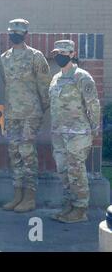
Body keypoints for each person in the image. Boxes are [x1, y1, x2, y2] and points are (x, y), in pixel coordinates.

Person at [0, 19, 51, 213]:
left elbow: (44, 86)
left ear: (25, 34)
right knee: (14, 153)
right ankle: (17, 195)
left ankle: (29, 197)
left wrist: (39, 109)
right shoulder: (4, 57)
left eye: (18, 32)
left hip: (31, 113)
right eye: (12, 31)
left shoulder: (35, 56)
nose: (15, 35)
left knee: (27, 153)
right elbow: (7, 83)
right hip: (12, 113)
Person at [49, 40, 100, 223]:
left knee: (76, 171)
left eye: (63, 52)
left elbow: (93, 104)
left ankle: (80, 209)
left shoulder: (82, 76)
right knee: (63, 170)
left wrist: (94, 128)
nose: (59, 56)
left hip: (78, 133)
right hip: (59, 134)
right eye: (57, 53)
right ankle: (69, 205)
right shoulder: (55, 78)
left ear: (72, 54)